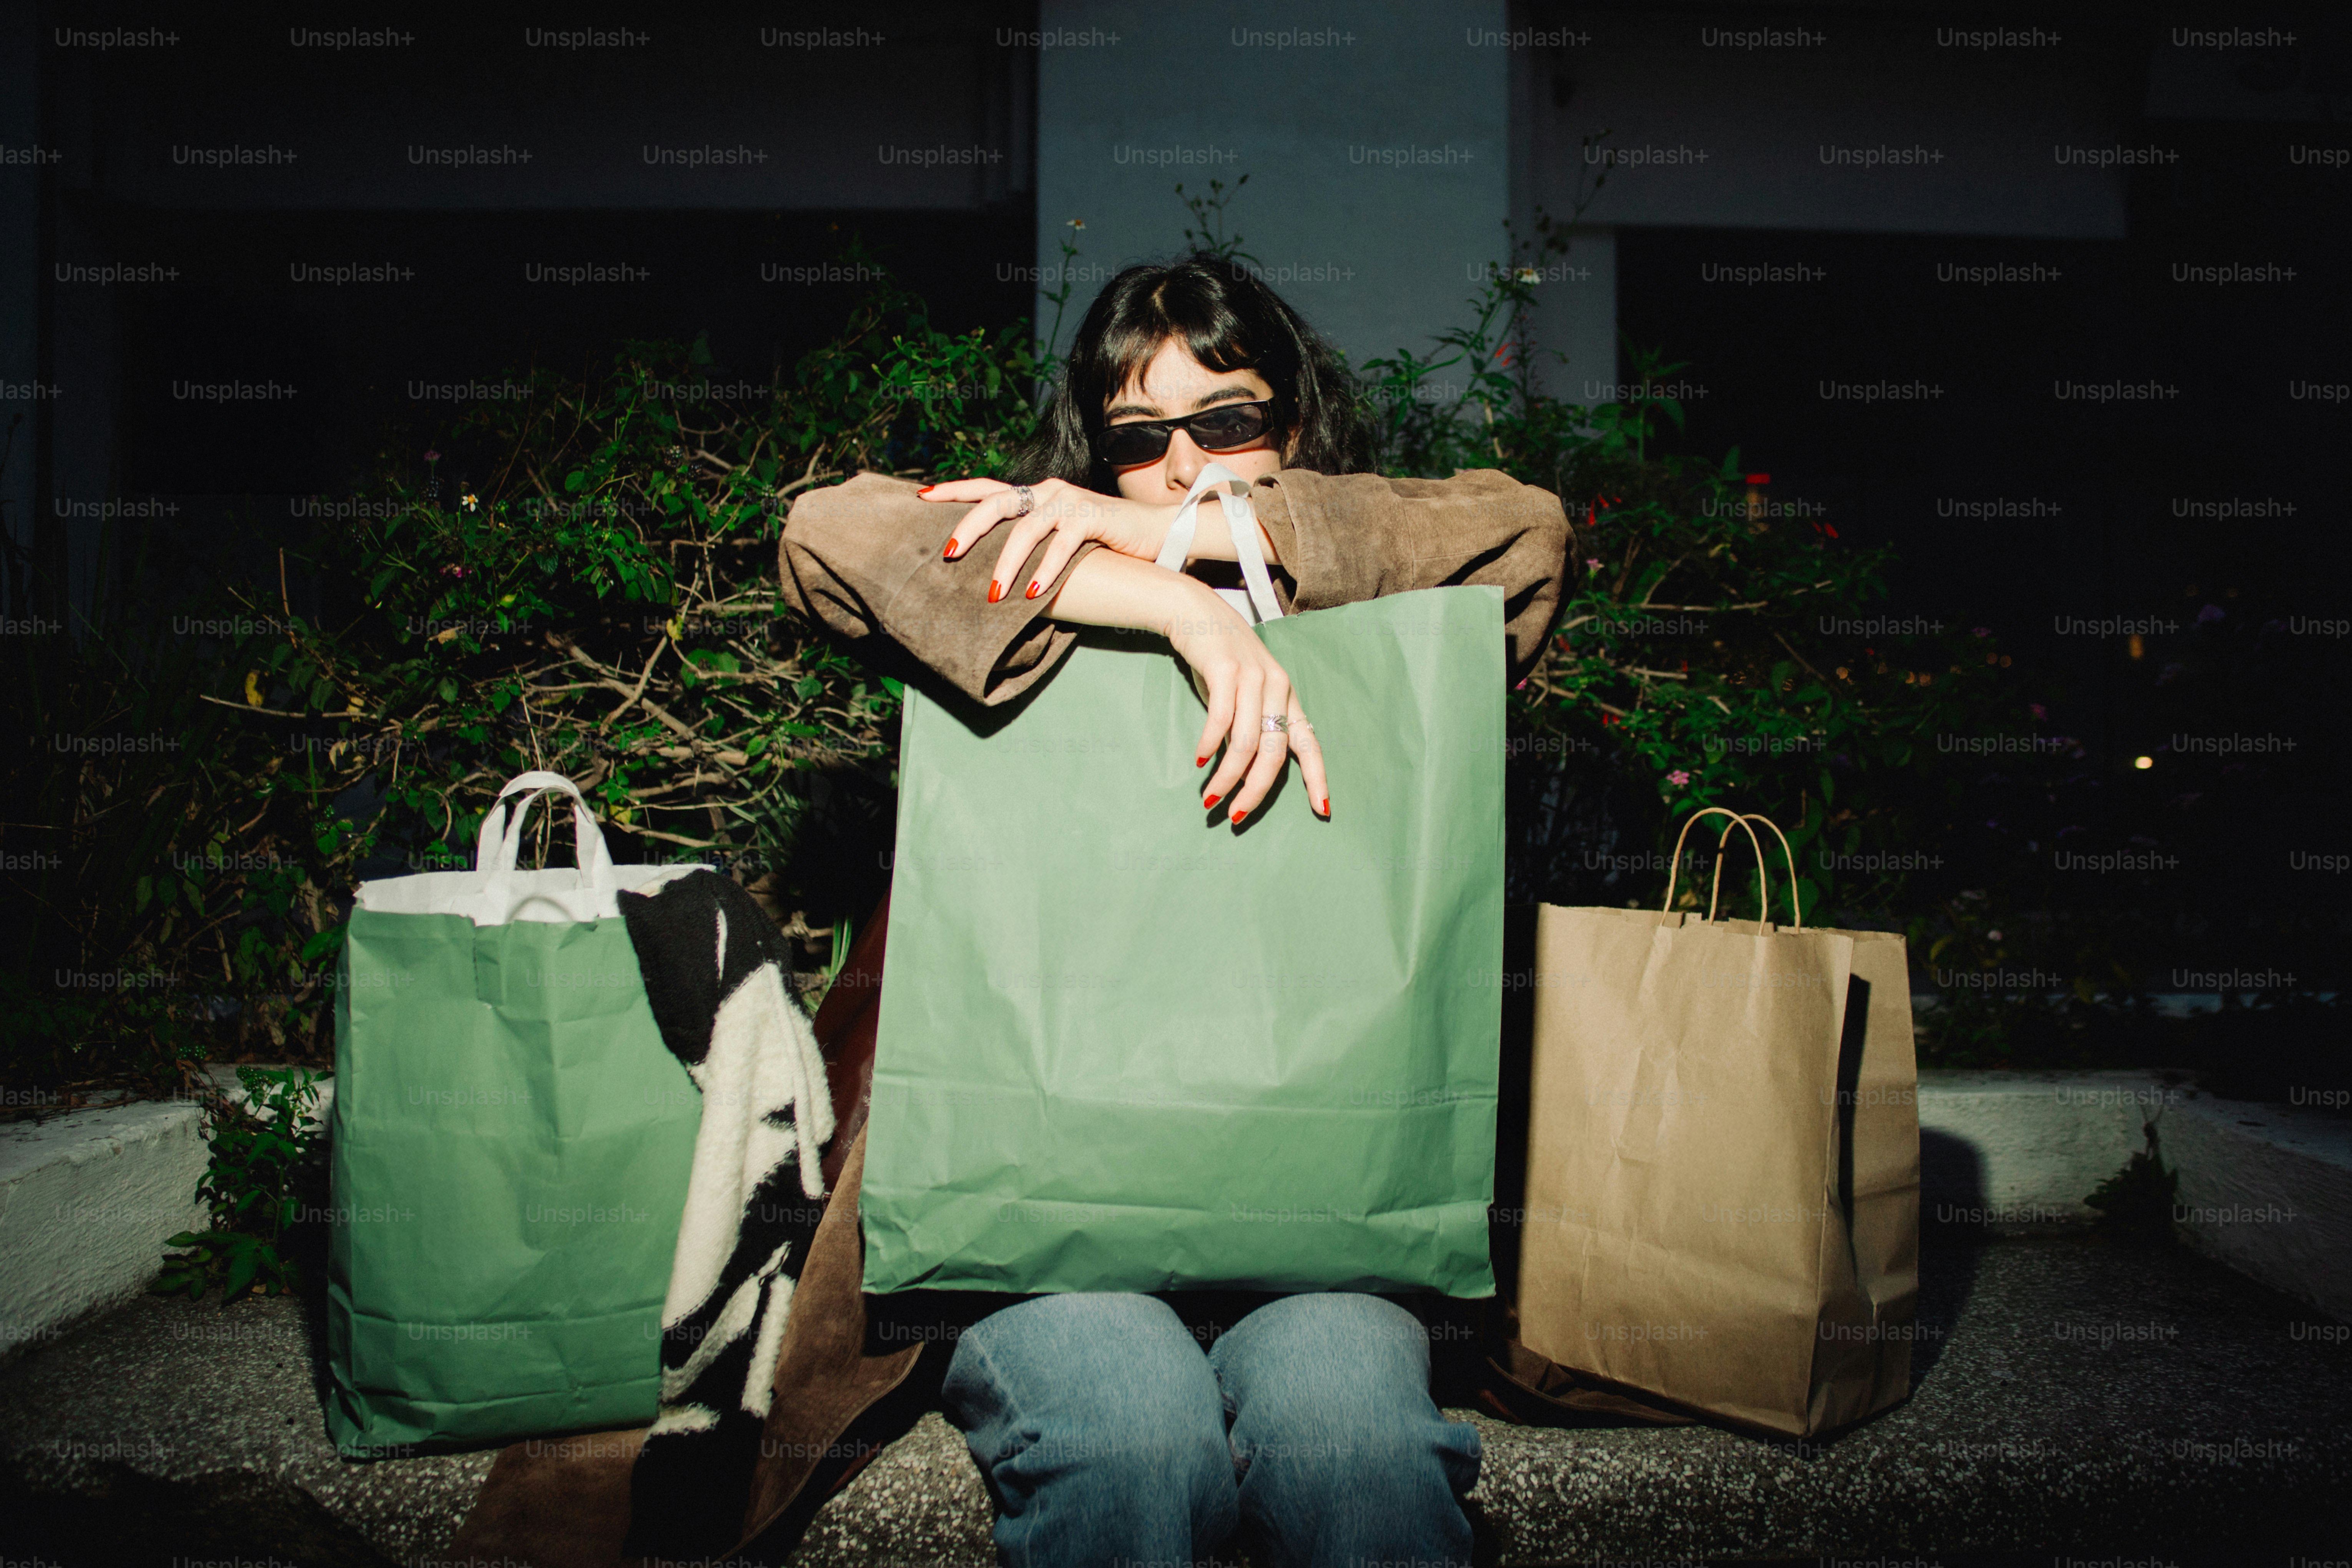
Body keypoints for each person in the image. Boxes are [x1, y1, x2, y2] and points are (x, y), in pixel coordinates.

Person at [778, 254, 1571, 1568]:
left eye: (1230, 421)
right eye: (1141, 441)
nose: (1187, 459)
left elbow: (1526, 529)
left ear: (1296, 429)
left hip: (1330, 1241)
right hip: (1044, 1237)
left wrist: (1191, 542)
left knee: (1363, 1451)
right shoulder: (1034, 599)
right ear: (1093, 457)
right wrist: (1175, 614)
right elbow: (826, 534)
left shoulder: (1378, 605)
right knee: (1130, 1446)